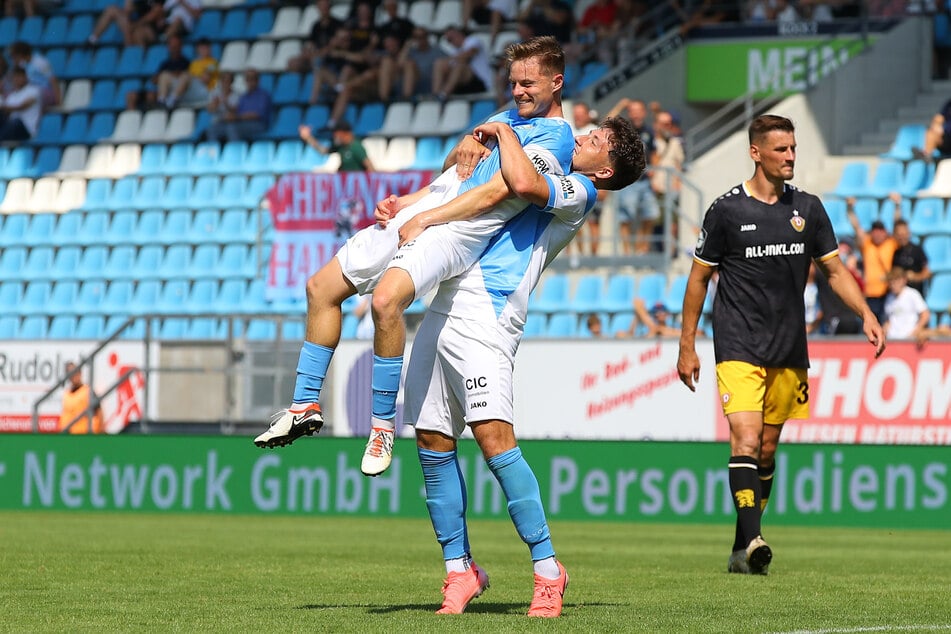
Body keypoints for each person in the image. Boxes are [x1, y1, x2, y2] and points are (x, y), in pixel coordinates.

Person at [251, 37, 572, 462]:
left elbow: (494, 194)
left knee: (386, 301)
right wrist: (413, 198)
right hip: (425, 211)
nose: (518, 92)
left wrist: (428, 218)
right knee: (320, 288)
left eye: (528, 83)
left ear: (557, 82)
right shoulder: (507, 117)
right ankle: (305, 404)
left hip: (455, 230)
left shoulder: (558, 140)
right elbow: (454, 171)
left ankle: (382, 429)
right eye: (513, 83)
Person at [403, 115, 645, 616]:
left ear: (604, 170)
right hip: (445, 302)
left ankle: (548, 571)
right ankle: (458, 571)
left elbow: (523, 183)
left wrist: (505, 131)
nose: (584, 138)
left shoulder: (578, 191)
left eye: (597, 141)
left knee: (495, 440)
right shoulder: (551, 153)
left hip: (489, 315)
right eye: (589, 131)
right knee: (431, 441)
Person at [677, 114, 885, 577]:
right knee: (746, 438)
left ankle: (740, 547)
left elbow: (833, 271)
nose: (791, 156)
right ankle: (754, 538)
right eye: (781, 149)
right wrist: (686, 344)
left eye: (793, 148)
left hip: (789, 345)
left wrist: (867, 314)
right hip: (737, 341)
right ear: (756, 153)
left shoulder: (808, 209)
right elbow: (698, 280)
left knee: (767, 450)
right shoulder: (726, 211)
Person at [606, 97, 658, 255]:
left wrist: (655, 171)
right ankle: (627, 252)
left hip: (645, 181)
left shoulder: (649, 131)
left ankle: (642, 248)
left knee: (651, 214)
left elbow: (654, 152)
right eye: (632, 111)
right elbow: (607, 121)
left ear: (644, 113)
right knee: (625, 217)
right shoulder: (624, 131)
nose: (635, 115)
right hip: (628, 180)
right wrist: (621, 105)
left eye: (638, 111)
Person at [846, 197, 897, 326]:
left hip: (887, 292)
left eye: (880, 231)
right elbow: (856, 227)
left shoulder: (890, 244)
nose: (878, 235)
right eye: (875, 231)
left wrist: (897, 206)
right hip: (870, 293)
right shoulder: (868, 244)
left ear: (885, 232)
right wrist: (850, 209)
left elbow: (897, 226)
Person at [205, 68, 271, 143]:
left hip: (258, 124)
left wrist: (236, 117)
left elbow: (257, 115)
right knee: (212, 129)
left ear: (258, 80)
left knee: (232, 128)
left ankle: (235, 152)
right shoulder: (244, 96)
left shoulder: (263, 95)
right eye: (247, 79)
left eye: (252, 79)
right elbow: (236, 110)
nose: (249, 81)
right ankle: (214, 152)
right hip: (241, 123)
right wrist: (227, 111)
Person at [432, 25, 494, 101]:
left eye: (451, 38)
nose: (450, 42)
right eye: (448, 40)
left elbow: (468, 55)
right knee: (439, 63)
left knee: (460, 66)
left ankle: (444, 94)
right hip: (463, 85)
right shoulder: (454, 51)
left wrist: (452, 59)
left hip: (480, 82)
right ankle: (436, 93)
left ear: (458, 33)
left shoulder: (472, 41)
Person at [158, 36, 216, 109]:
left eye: (206, 48)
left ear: (210, 49)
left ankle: (172, 100)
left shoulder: (213, 63)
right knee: (164, 75)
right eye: (201, 48)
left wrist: (191, 76)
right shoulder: (194, 63)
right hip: (191, 88)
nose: (203, 50)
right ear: (198, 49)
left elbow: (205, 79)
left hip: (204, 90)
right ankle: (162, 100)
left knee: (185, 75)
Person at [287, 0, 343, 73]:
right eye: (321, 6)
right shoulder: (316, 26)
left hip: (328, 56)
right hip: (315, 55)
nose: (323, 8)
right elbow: (311, 43)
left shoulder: (337, 24)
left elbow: (334, 45)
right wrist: (306, 52)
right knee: (292, 62)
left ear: (329, 7)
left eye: (325, 6)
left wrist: (318, 53)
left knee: (317, 61)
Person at [298, 120, 374, 172]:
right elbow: (323, 151)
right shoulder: (340, 146)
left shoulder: (356, 147)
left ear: (345, 133)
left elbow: (370, 167)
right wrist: (308, 138)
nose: (334, 136)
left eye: (336, 133)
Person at [9, 40, 59, 109]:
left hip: (44, 92)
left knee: (32, 94)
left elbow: (53, 80)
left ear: (20, 55)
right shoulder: (22, 65)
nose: (13, 60)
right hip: (32, 92)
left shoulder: (40, 62)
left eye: (14, 57)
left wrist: (58, 100)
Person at [891, 212, 932, 295]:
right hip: (901, 297)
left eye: (904, 234)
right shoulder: (896, 252)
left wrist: (915, 277)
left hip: (917, 294)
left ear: (908, 233)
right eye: (899, 235)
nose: (902, 237)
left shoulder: (917, 250)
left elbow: (927, 273)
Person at [883, 267, 930, 340]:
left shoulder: (912, 294)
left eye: (895, 282)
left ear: (903, 280)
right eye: (890, 283)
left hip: (909, 339)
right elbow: (889, 319)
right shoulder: (889, 297)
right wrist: (885, 329)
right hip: (892, 339)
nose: (892, 285)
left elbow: (925, 315)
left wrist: (916, 331)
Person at [59, 362, 104, 435]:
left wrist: (101, 431)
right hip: (69, 434)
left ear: (80, 373)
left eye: (75, 372)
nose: (73, 376)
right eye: (70, 373)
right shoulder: (66, 394)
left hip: (85, 435)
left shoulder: (88, 391)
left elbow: (99, 411)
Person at [0, 67, 40, 141]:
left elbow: (22, 106)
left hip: (27, 129)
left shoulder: (33, 90)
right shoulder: (11, 96)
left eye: (19, 76)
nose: (17, 79)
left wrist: (3, 107)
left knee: (16, 122)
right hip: (11, 128)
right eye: (15, 77)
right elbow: (5, 113)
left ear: (25, 77)